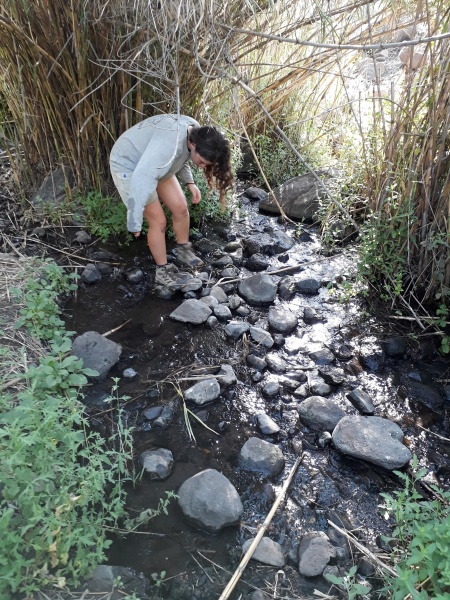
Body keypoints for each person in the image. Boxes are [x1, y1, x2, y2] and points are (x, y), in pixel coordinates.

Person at [109, 114, 234, 290]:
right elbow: (142, 177)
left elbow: (180, 158)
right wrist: (134, 220)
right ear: (194, 144)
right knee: (159, 221)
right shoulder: (167, 146)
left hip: (153, 162)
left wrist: (189, 183)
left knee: (181, 208)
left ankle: (183, 250)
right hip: (129, 166)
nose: (203, 167)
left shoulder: (193, 130)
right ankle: (162, 272)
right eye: (203, 162)